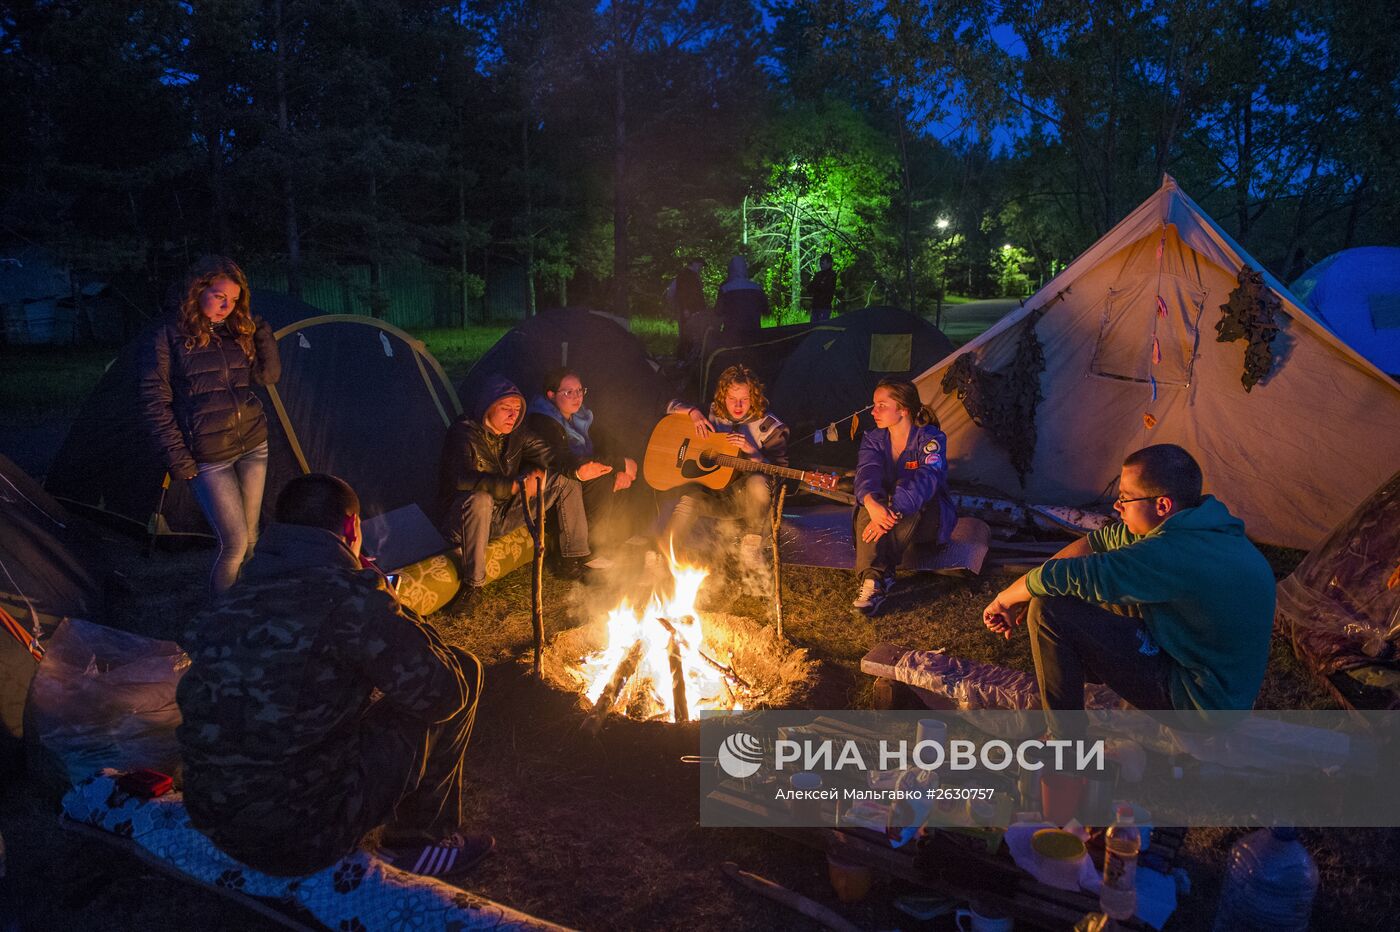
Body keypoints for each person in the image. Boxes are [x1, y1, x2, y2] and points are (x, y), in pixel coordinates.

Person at [176, 474, 492, 880]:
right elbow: (444, 692)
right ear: (350, 528)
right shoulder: (349, 598)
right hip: (299, 835)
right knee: (462, 670)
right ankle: (420, 841)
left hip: (211, 813)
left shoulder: (238, 594)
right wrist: (389, 602)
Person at [981, 444, 1275, 730]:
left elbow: (1068, 575)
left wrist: (1006, 598)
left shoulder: (1172, 552)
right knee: (1068, 593)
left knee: (1050, 611)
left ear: (1162, 504)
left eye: (1125, 498)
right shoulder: (1201, 525)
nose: (1117, 506)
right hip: (1220, 683)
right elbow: (1097, 543)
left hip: (1201, 702)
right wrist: (1028, 591)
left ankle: (1066, 751)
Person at [139, 255, 281, 595]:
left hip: (252, 444)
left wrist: (262, 335)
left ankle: (245, 602)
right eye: (220, 297)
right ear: (198, 289)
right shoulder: (167, 336)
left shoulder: (235, 333)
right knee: (233, 543)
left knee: (252, 537)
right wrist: (179, 459)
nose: (227, 306)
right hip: (208, 456)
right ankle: (222, 618)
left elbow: (268, 376)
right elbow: (154, 402)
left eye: (233, 300)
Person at [438, 375, 591, 612]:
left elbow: (550, 454)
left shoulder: (517, 433)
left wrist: (578, 468)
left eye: (517, 409)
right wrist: (512, 486)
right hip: (463, 521)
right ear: (488, 407)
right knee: (480, 499)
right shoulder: (463, 434)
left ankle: (572, 559)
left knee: (565, 480)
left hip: (501, 513)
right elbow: (462, 478)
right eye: (505, 408)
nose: (513, 415)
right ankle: (473, 586)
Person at [850, 379, 957, 615]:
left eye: (881, 405)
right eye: (874, 405)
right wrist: (870, 502)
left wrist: (893, 511)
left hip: (927, 520)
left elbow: (927, 479)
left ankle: (880, 572)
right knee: (870, 501)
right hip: (892, 521)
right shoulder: (874, 439)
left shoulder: (930, 439)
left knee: (906, 488)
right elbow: (867, 472)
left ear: (903, 410)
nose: (874, 411)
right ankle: (873, 581)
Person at [662, 364, 788, 563]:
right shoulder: (712, 413)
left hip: (745, 501)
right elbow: (669, 405)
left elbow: (779, 473)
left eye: (744, 400)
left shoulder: (769, 427)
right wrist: (693, 412)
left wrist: (754, 453)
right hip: (715, 495)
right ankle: (665, 556)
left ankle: (751, 545)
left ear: (753, 397)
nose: (738, 406)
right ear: (723, 397)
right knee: (689, 501)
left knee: (758, 483)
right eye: (732, 399)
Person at [525, 367, 639, 551]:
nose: (577, 397)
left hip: (579, 473)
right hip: (556, 486)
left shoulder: (581, 416)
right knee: (601, 478)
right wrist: (617, 463)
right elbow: (567, 459)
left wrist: (620, 466)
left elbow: (607, 441)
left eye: (579, 391)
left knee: (618, 472)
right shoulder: (543, 422)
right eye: (569, 392)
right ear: (551, 395)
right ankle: (592, 549)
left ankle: (617, 537)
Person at [715, 255, 768, 340]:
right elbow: (766, 310)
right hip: (753, 333)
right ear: (745, 269)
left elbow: (718, 312)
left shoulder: (725, 289)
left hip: (731, 335)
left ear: (731, 269)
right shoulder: (757, 288)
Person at [669, 259, 707, 357]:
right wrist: (685, 309)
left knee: (690, 333)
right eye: (700, 265)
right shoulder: (685, 275)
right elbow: (682, 293)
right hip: (689, 311)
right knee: (687, 333)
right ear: (694, 263)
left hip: (692, 310)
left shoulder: (690, 275)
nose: (701, 268)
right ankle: (683, 356)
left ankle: (687, 356)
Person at [808, 253, 837, 322]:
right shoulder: (818, 275)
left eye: (823, 263)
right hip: (816, 306)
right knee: (813, 326)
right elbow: (810, 288)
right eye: (821, 263)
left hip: (825, 307)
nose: (821, 265)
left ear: (829, 264)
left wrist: (818, 287)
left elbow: (827, 289)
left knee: (822, 326)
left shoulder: (832, 275)